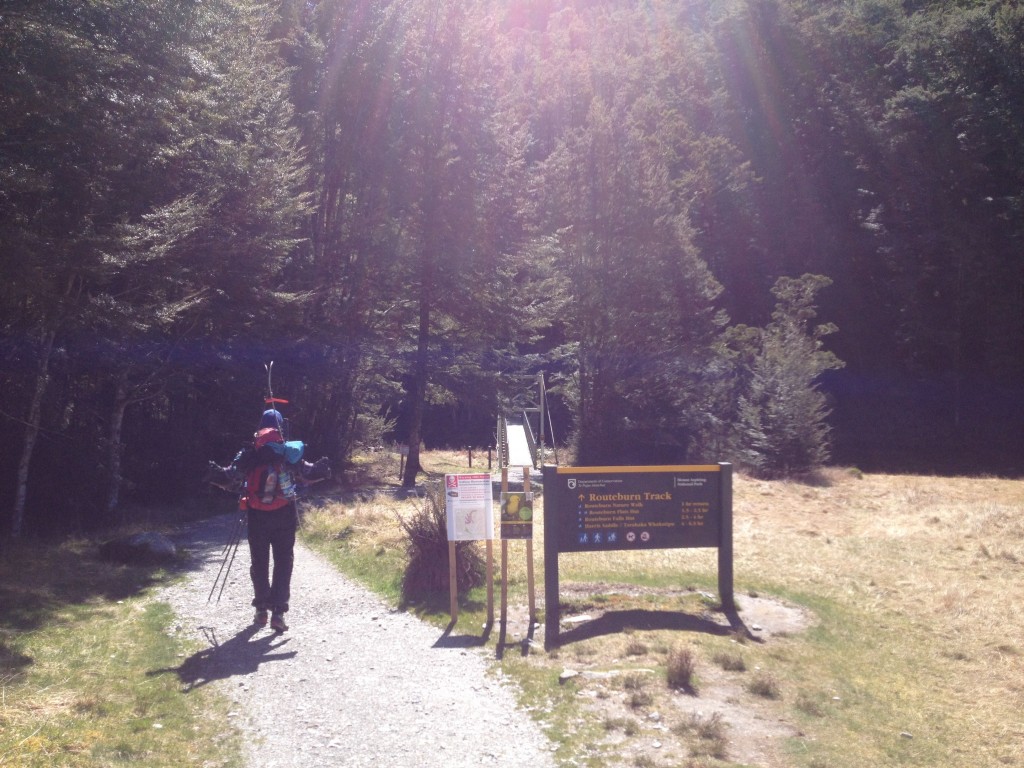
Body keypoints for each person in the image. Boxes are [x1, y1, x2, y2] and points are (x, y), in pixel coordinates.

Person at [234, 408, 305, 633]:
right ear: (281, 426)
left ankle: (261, 610)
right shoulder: (287, 450)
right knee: (284, 562)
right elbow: (307, 473)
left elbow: (233, 474)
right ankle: (278, 613)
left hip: (257, 514)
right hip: (284, 513)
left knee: (259, 561)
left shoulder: (252, 451)